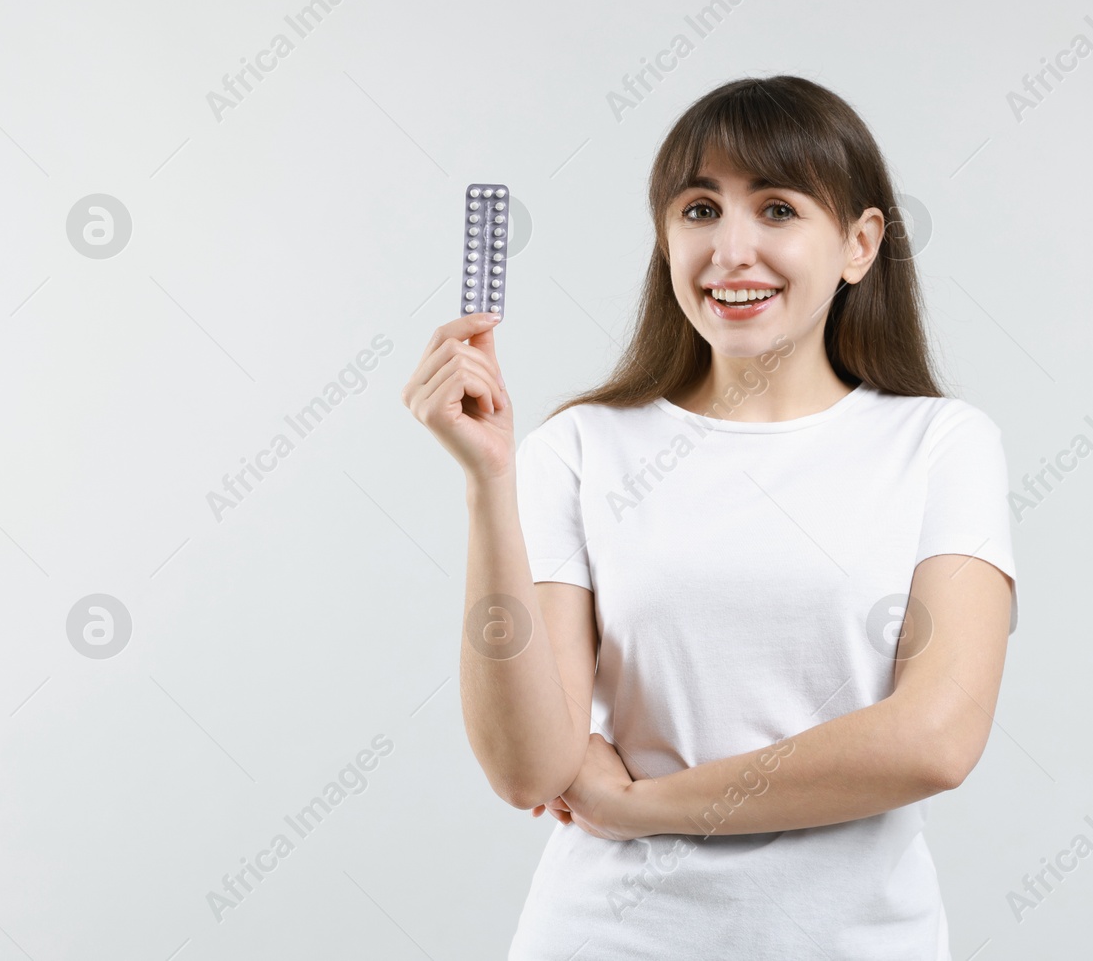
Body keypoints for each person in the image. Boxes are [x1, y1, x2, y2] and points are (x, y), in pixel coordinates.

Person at [402, 75, 1017, 960]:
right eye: (698, 209)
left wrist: (643, 804)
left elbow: (934, 739)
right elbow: (527, 767)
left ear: (859, 243)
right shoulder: (577, 448)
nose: (731, 249)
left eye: (777, 208)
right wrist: (488, 484)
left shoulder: (940, 444)